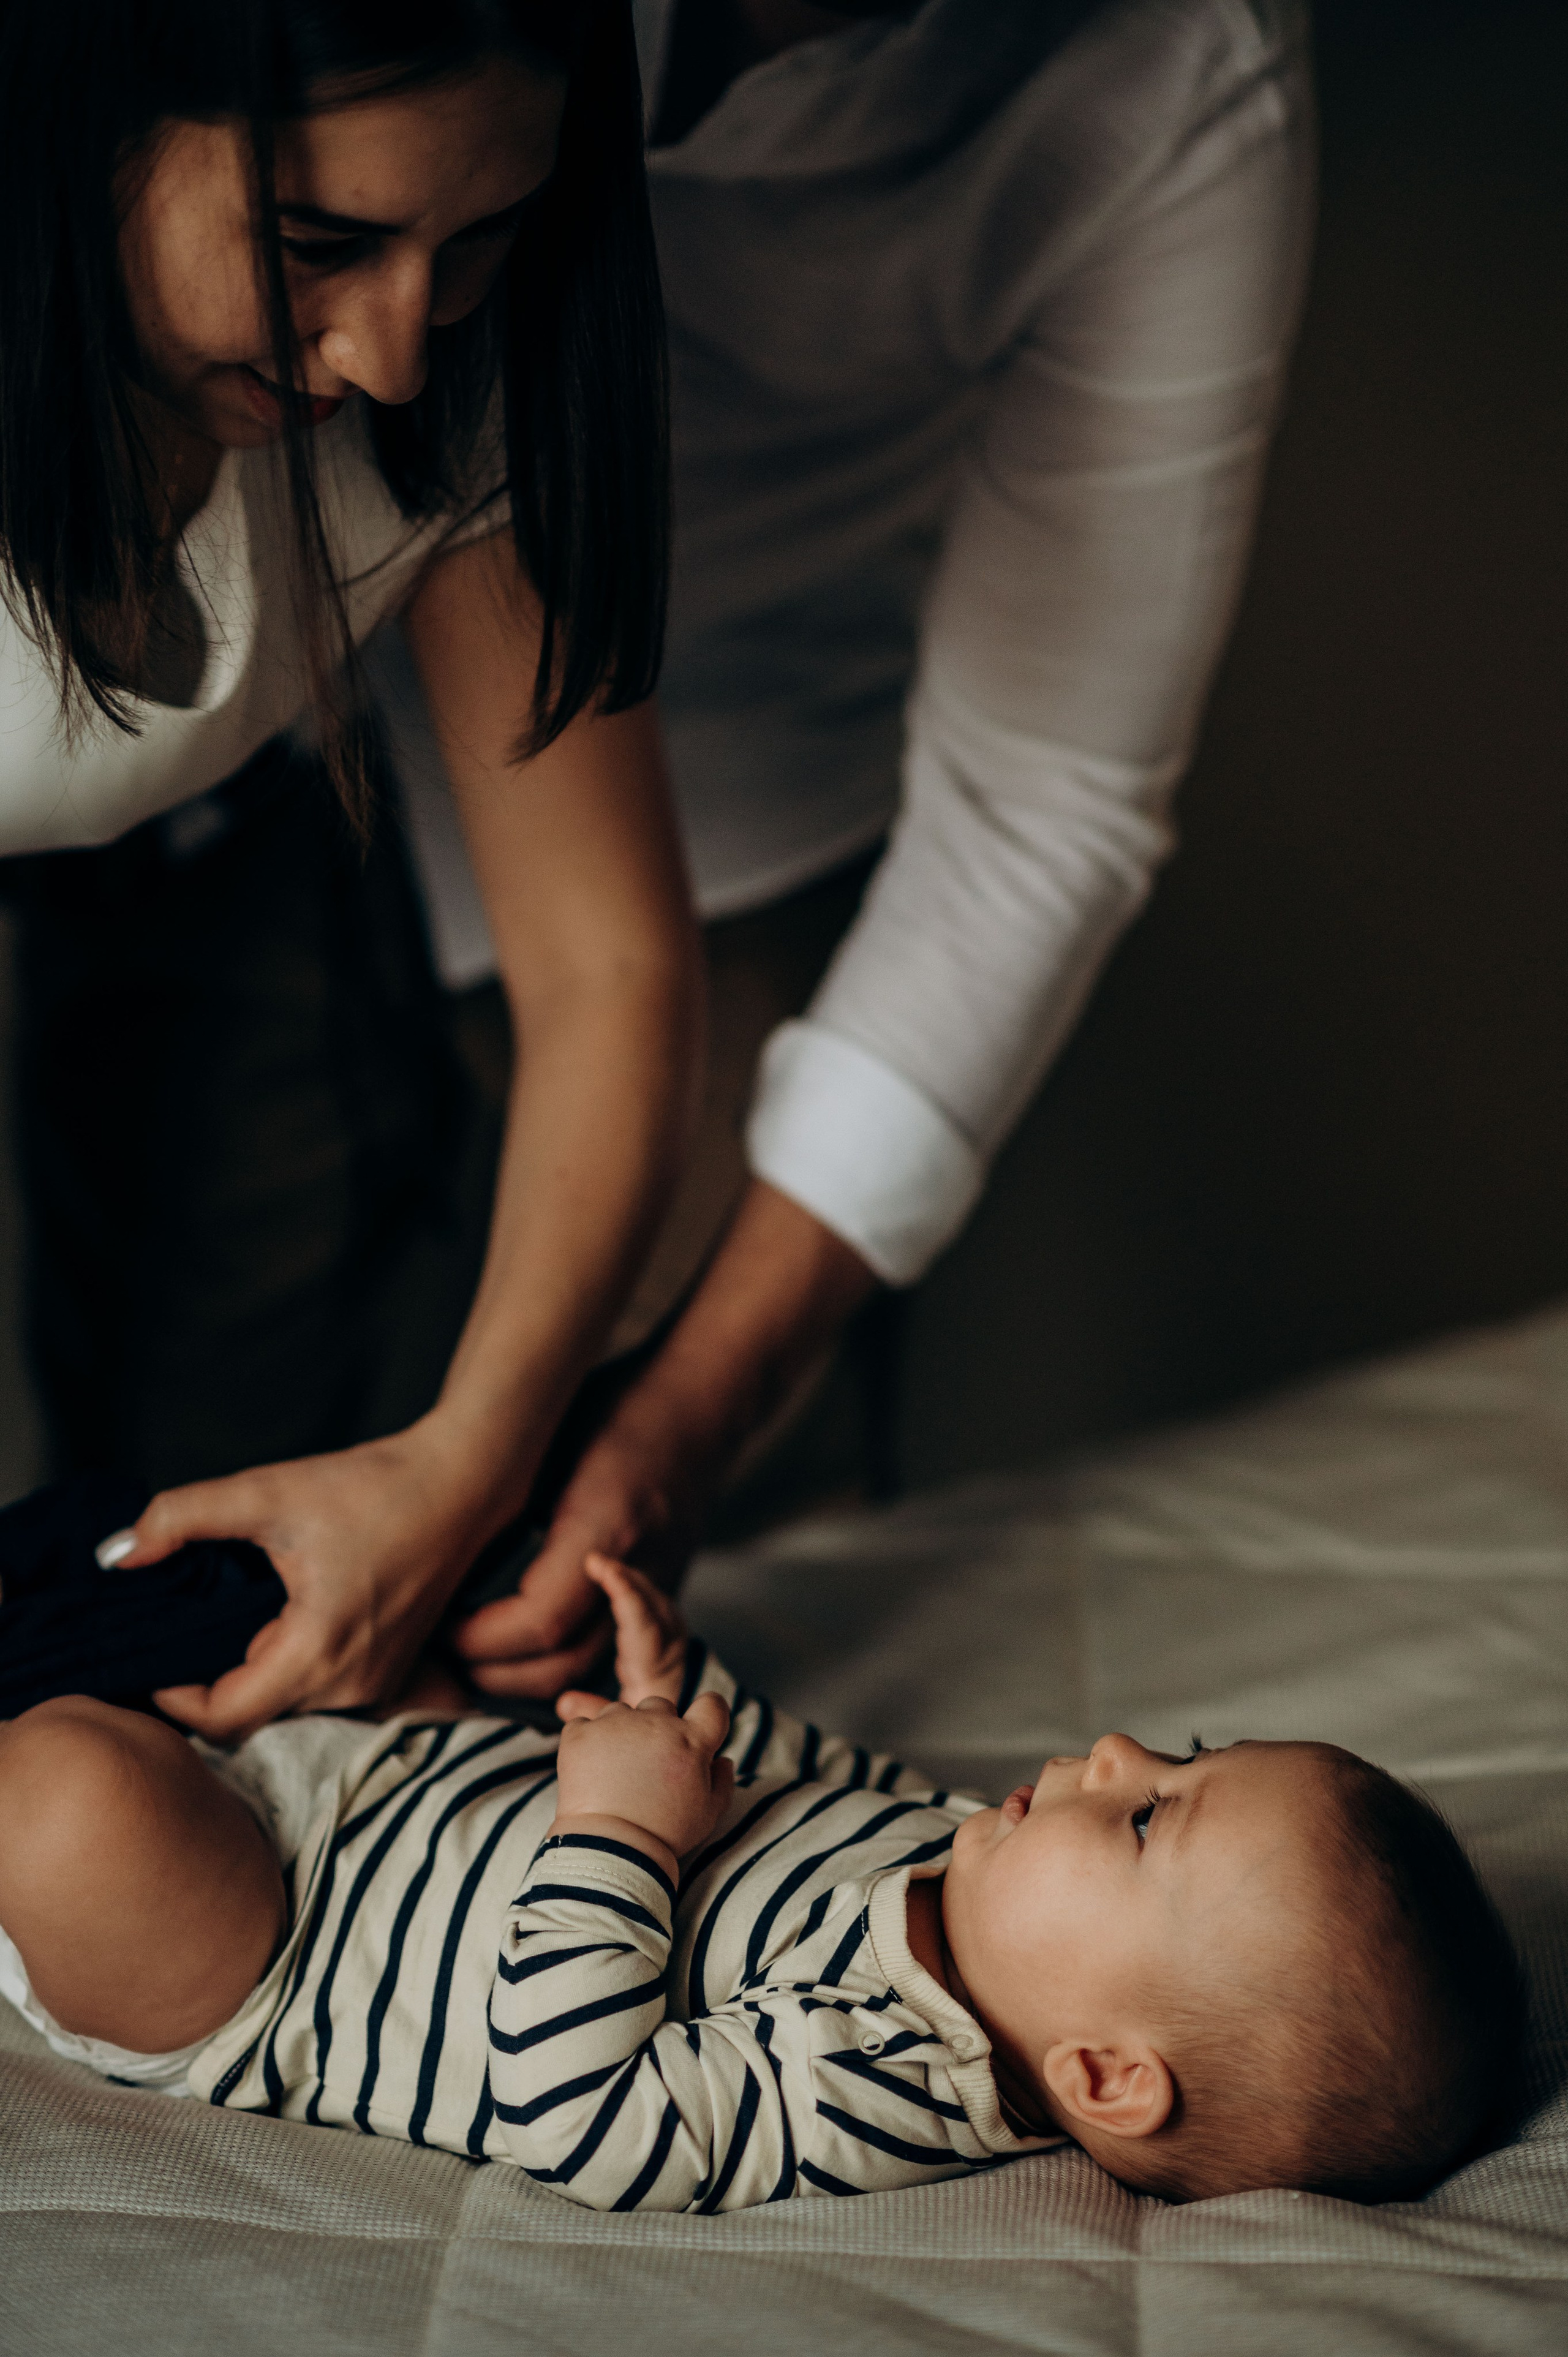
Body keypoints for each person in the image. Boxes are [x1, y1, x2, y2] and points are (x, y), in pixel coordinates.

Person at [399, 0, 1317, 1701]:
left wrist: (689, 1412)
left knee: (645, 1600)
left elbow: (1048, 806)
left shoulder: (1182, 73)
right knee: (186, 1483)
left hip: (737, 789)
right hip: (247, 786)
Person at [0, 3, 702, 1736]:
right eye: (321, 244)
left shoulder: (444, 388)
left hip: (246, 863)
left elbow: (608, 965)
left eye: (478, 242)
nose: (394, 349)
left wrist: (463, 1467)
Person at [0, 1558, 1523, 2206]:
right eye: (1176, 1750)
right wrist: (691, 1693)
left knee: (71, 1793)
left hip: (281, 1961)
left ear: (1109, 2075)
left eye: (1147, 1818)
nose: (1114, 1746)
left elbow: (578, 2118)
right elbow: (819, 1784)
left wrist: (625, 1836)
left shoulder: (877, 2083)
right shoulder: (974, 1866)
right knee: (417, 1609)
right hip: (394, 1783)